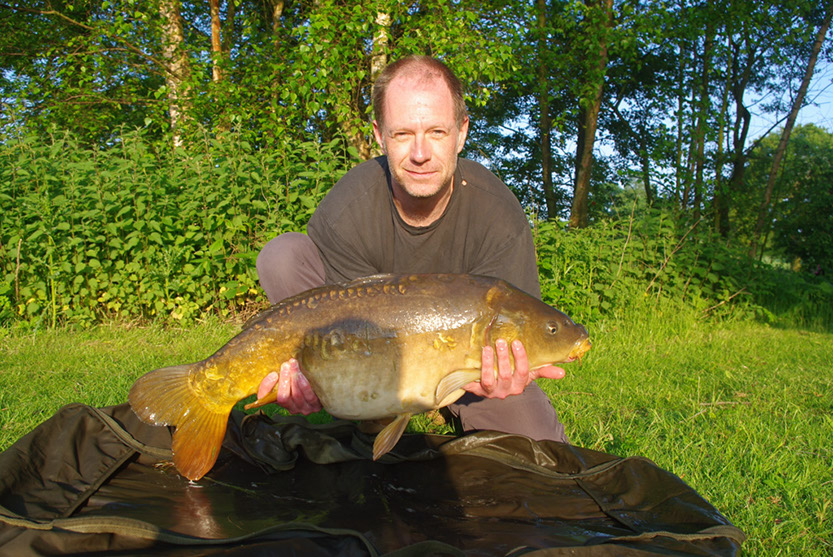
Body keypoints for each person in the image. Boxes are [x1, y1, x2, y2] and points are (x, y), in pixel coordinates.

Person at [255, 55, 569, 444]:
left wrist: (508, 374)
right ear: (379, 135)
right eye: (403, 134)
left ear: (461, 132)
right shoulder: (347, 209)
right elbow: (341, 324)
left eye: (437, 132)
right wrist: (309, 377)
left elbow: (520, 326)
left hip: (470, 372)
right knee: (283, 255)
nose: (420, 153)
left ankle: (447, 407)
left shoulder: (498, 214)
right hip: (375, 357)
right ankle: (354, 400)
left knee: (540, 446)